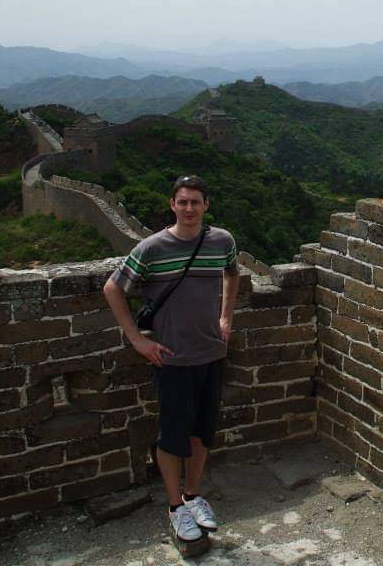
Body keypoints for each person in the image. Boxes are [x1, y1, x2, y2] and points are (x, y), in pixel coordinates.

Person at [103, 175, 240, 543]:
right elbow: (113, 287)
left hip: (212, 352)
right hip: (173, 359)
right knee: (172, 436)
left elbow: (232, 272)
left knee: (201, 432)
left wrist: (226, 315)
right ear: (172, 205)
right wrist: (136, 339)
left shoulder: (221, 241)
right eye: (183, 202)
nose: (189, 208)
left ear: (206, 205)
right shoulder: (152, 248)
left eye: (196, 202)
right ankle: (175, 506)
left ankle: (194, 495)